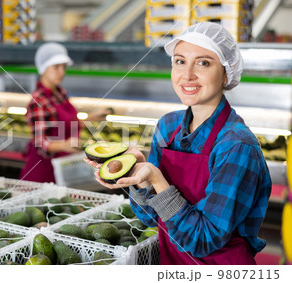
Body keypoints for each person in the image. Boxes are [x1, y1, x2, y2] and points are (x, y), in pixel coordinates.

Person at [85, 22, 272, 265]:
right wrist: (141, 180)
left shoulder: (236, 145)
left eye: (203, 63)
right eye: (180, 61)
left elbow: (204, 240)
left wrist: (156, 179)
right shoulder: (168, 126)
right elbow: (151, 217)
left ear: (226, 73)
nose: (187, 75)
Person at [20, 42, 110, 183]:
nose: (62, 72)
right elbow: (39, 142)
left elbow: (68, 125)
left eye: (64, 67)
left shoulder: (60, 93)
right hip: (43, 174)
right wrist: (63, 145)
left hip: (64, 168)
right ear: (43, 69)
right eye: (56, 67)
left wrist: (91, 118)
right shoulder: (38, 101)